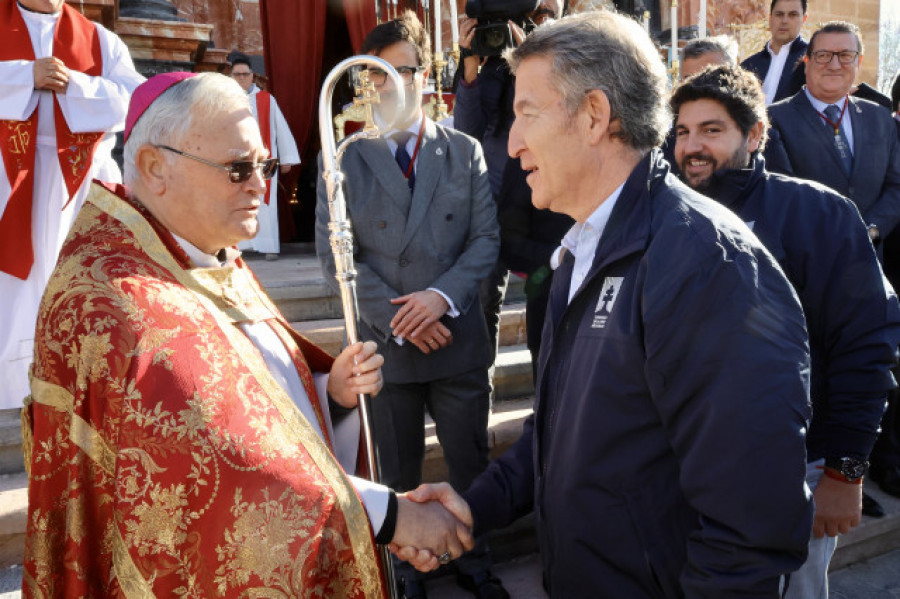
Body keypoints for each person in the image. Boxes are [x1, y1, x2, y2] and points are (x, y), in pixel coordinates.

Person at [403, 12, 814, 597]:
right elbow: (565, 435)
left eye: (527, 113)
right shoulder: (581, 250)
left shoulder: (707, 265)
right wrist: (475, 506)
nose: (513, 141)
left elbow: (749, 530)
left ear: (594, 115)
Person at [22, 71, 473, 596]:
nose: (261, 185)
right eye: (238, 169)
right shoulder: (110, 302)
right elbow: (215, 476)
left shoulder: (210, 259)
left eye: (265, 165)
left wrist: (330, 398)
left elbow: (252, 413)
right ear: (154, 167)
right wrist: (388, 516)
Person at [671, 64, 900, 598]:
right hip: (686, 470)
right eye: (683, 131)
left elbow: (866, 347)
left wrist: (844, 473)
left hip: (799, 469)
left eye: (711, 130)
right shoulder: (665, 218)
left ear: (754, 135)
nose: (691, 147)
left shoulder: (818, 214)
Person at [315, 13, 505, 599]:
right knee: (394, 470)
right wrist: (403, 318)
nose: (393, 87)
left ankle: (477, 562)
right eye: (379, 77)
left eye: (404, 72)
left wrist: (438, 299)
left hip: (456, 337)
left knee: (469, 463)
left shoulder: (463, 149)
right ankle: (404, 573)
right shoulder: (346, 156)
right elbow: (335, 252)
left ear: (426, 76)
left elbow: (485, 241)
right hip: (387, 346)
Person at [764, 23, 900, 505]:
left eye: (845, 56)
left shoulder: (881, 119)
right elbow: (777, 193)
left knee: (869, 370)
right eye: (823, 56)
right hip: (807, 278)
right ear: (807, 61)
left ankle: (862, 468)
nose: (834, 65)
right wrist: (836, 237)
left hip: (870, 273)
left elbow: (894, 188)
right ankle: (821, 475)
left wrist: (870, 231)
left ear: (858, 61)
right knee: (818, 375)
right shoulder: (776, 119)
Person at [0, 0, 144, 411]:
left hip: (81, 182)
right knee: (16, 289)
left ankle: (81, 383)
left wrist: (75, 85)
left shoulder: (102, 40)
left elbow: (134, 101)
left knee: (82, 280)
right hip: (7, 176)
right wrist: (24, 76)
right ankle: (15, 385)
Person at [455, 0, 565, 376]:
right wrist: (469, 62)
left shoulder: (559, 50)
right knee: (483, 301)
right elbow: (466, 131)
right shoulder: (487, 72)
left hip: (538, 209)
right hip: (488, 203)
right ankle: (479, 404)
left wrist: (528, 61)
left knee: (546, 310)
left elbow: (546, 116)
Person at [230, 54, 299, 260]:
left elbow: (281, 129)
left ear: (253, 76)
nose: (242, 78)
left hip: (264, 160)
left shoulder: (266, 99)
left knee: (265, 203)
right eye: (237, 75)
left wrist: (287, 158)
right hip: (236, 160)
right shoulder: (225, 100)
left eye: (245, 74)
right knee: (237, 200)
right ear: (231, 76)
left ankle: (268, 246)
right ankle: (239, 246)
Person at [741, 0, 807, 105]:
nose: (784, 20)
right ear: (770, 18)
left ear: (803, 19)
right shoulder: (748, 65)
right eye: (779, 14)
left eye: (792, 15)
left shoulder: (813, 61)